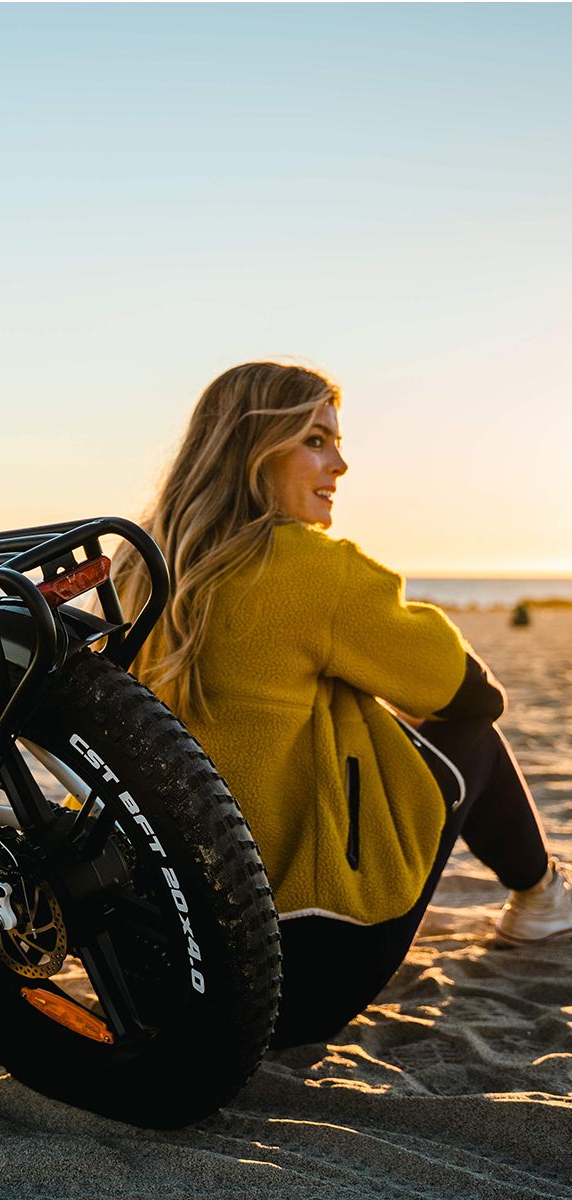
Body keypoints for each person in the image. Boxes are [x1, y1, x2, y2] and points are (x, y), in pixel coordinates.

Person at [113, 361, 572, 1048]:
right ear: (255, 449)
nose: (343, 464)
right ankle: (540, 899)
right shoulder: (309, 566)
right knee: (468, 738)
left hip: (149, 973)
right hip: (291, 982)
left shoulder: (136, 571)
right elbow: (475, 695)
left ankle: (539, 898)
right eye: (318, 441)